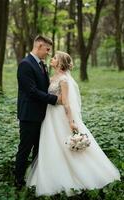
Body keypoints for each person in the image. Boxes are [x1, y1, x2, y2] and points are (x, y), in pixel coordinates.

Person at [26, 51, 120, 196]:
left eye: (55, 58)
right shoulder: (53, 77)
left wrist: (71, 122)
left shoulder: (63, 80)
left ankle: (81, 175)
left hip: (59, 116)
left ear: (60, 62)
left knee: (63, 145)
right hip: (50, 115)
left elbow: (66, 103)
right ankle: (52, 174)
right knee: (52, 144)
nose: (52, 58)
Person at [15, 35, 61, 188]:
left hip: (43, 114)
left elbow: (44, 87)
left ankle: (35, 178)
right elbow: (31, 91)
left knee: (39, 148)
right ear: (39, 46)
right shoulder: (25, 64)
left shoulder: (42, 65)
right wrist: (54, 100)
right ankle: (19, 180)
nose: (48, 53)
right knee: (25, 148)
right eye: (47, 49)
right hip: (29, 115)